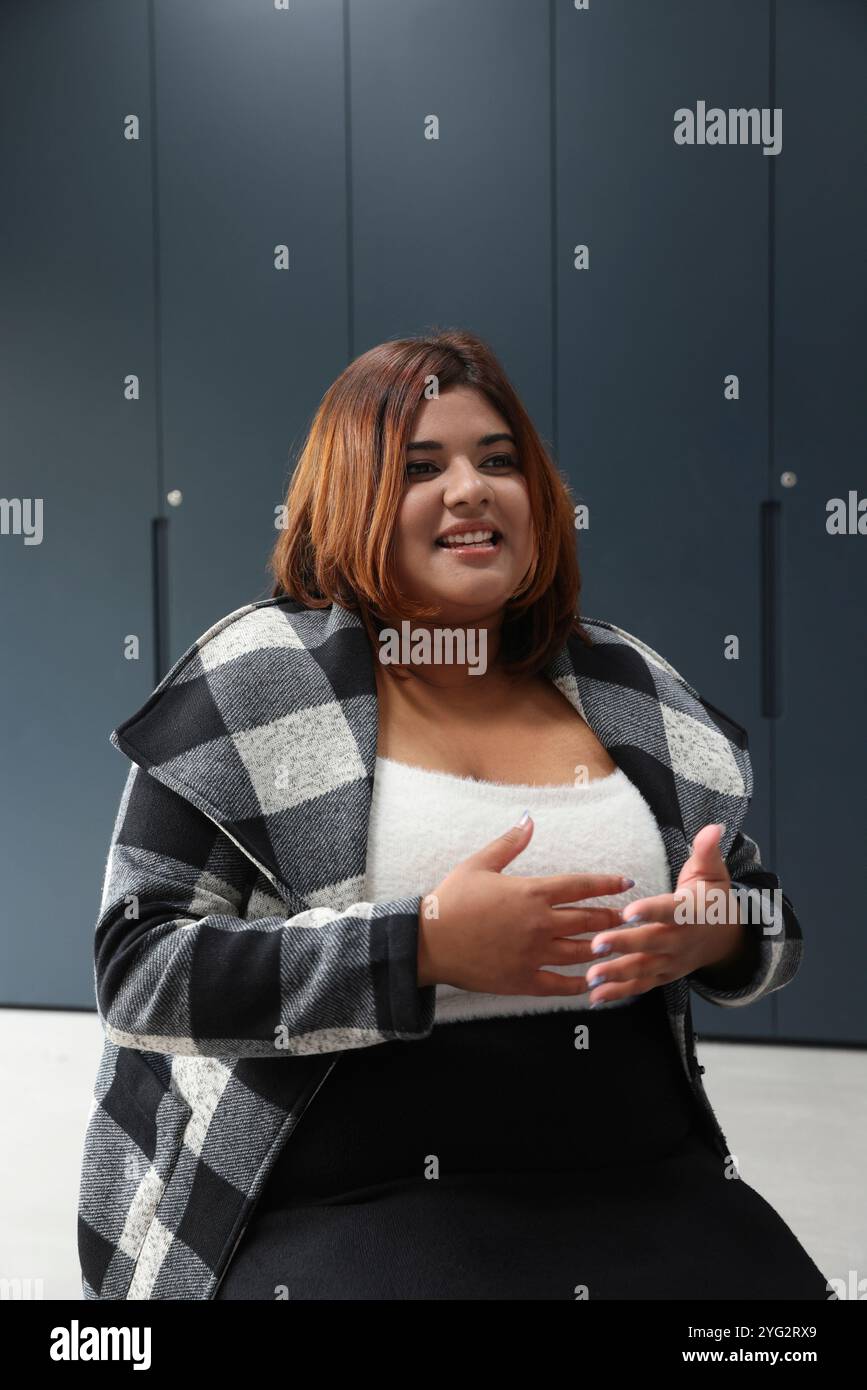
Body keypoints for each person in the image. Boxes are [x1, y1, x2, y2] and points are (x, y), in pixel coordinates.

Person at [79, 329, 830, 1301]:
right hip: (346, 1195)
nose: (472, 487)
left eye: (500, 459)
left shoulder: (628, 685)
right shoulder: (252, 682)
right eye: (421, 466)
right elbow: (139, 974)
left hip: (638, 1179)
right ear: (353, 496)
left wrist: (714, 933)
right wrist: (419, 948)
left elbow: (773, 918)